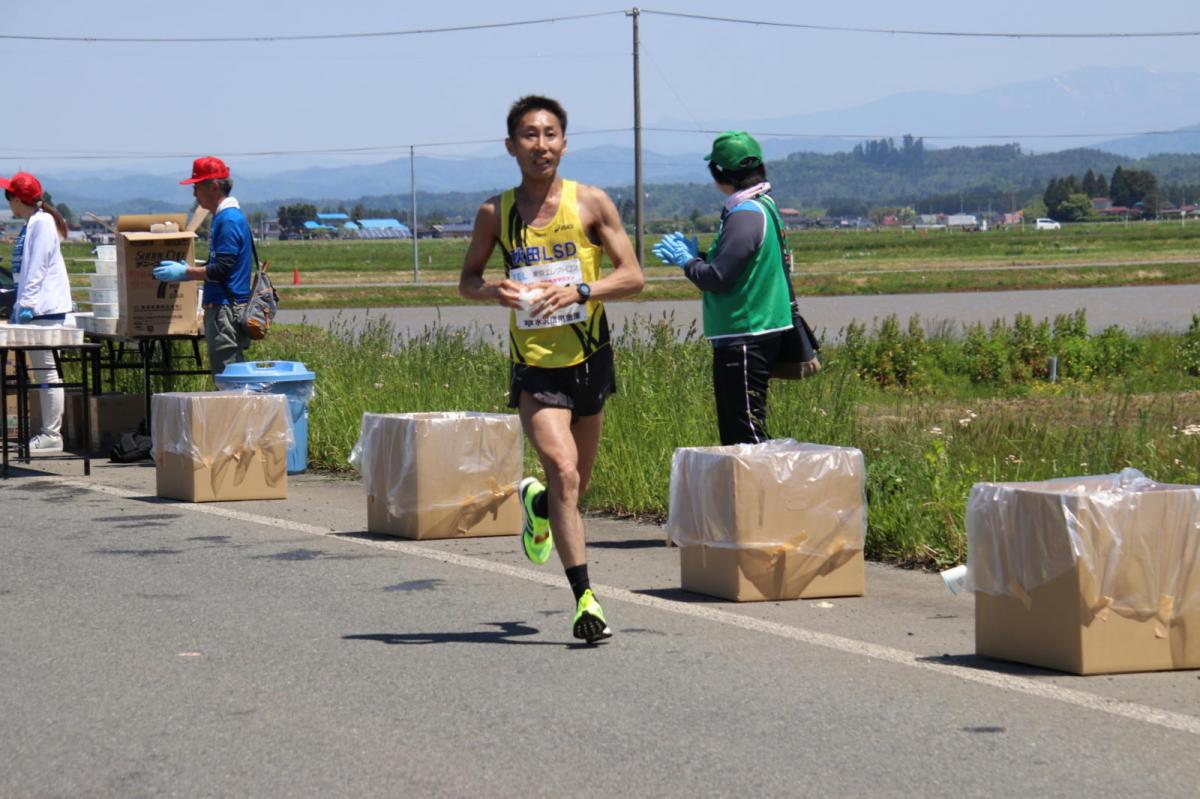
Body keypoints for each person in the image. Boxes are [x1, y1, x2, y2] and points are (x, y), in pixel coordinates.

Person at [459, 95, 644, 643]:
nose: (541, 146)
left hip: (589, 359)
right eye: (530, 136)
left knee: (572, 489)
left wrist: (582, 289)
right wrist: (495, 289)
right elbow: (467, 280)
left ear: (564, 142)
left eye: (550, 135)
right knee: (563, 470)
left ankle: (536, 505)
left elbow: (633, 276)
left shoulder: (591, 203)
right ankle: (586, 600)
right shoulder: (496, 213)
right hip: (535, 365)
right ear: (511, 145)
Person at [653, 131, 794, 445]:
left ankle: (763, 493)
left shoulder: (744, 215)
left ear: (719, 173)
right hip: (753, 330)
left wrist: (687, 262)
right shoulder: (761, 206)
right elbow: (737, 265)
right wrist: (699, 257)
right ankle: (748, 492)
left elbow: (717, 278)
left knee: (745, 433)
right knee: (739, 430)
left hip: (746, 334)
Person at [153, 156, 252, 378]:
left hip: (225, 308)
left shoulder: (227, 219)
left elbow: (222, 269)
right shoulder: (225, 217)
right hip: (225, 306)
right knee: (229, 373)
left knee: (228, 376)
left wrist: (186, 273)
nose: (194, 194)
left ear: (214, 186)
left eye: (197, 187)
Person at [2, 172, 72, 452]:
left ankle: (51, 434)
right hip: (35, 308)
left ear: (18, 199)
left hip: (43, 309)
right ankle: (48, 432)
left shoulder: (41, 223)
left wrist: (27, 304)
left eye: (9, 198)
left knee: (46, 372)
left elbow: (38, 267)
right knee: (42, 372)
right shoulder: (34, 222)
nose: (8, 204)